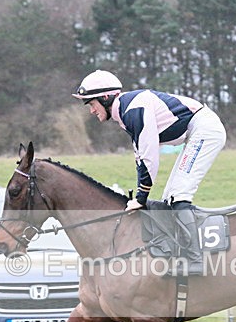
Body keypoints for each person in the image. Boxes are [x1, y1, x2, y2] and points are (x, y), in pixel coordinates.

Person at [72, 70, 227, 274]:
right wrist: (140, 196)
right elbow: (141, 157)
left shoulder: (132, 109)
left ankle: (195, 260)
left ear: (105, 97)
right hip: (196, 131)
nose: (91, 111)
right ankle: (179, 253)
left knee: (179, 196)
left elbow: (148, 157)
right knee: (170, 198)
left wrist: (141, 197)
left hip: (204, 130)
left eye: (91, 104)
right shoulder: (125, 112)